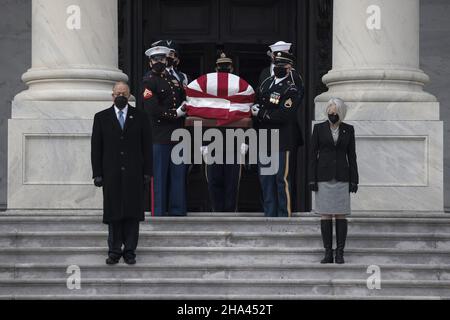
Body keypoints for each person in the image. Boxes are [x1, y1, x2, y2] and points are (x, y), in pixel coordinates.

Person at [91, 81, 152, 265]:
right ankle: (115, 250)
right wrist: (97, 173)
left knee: (132, 213)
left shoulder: (140, 117)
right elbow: (96, 148)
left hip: (134, 173)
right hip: (111, 173)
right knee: (114, 212)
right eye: (117, 93)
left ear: (129, 96)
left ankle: (130, 251)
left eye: (124, 94)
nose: (120, 96)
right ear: (112, 95)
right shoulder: (101, 117)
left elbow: (147, 147)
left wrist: (147, 171)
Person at [252, 51, 304, 217]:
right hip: (265, 139)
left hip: (282, 139)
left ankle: (283, 217)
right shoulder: (266, 83)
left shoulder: (292, 88)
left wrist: (261, 113)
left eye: (282, 65)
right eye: (277, 65)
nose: (278, 68)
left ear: (289, 68)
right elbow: (258, 102)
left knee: (282, 180)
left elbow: (284, 115)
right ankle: (270, 215)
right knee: (266, 181)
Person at [309, 97, 359, 264]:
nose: (332, 115)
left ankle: (340, 253)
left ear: (341, 113)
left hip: (342, 177)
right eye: (330, 112)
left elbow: (352, 156)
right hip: (323, 176)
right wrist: (311, 179)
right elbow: (312, 156)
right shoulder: (318, 128)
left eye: (335, 113)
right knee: (325, 215)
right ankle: (328, 253)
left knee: (340, 214)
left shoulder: (348, 129)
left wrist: (354, 180)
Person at [142, 45, 188, 216]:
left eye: (162, 59)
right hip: (159, 136)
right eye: (156, 60)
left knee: (178, 176)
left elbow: (181, 98)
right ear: (150, 62)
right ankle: (159, 213)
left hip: (178, 134)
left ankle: (178, 211)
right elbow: (151, 109)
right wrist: (175, 113)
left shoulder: (173, 80)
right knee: (159, 177)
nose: (159, 62)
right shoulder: (148, 81)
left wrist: (184, 106)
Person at [200, 52, 246, 212]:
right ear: (216, 69)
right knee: (214, 182)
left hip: (234, 143)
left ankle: (230, 214)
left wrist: (244, 141)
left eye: (226, 67)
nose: (224, 69)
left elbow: (245, 114)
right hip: (212, 143)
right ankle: (216, 214)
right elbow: (202, 114)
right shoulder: (208, 90)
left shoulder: (240, 88)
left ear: (232, 68)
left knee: (232, 183)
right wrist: (203, 143)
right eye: (221, 67)